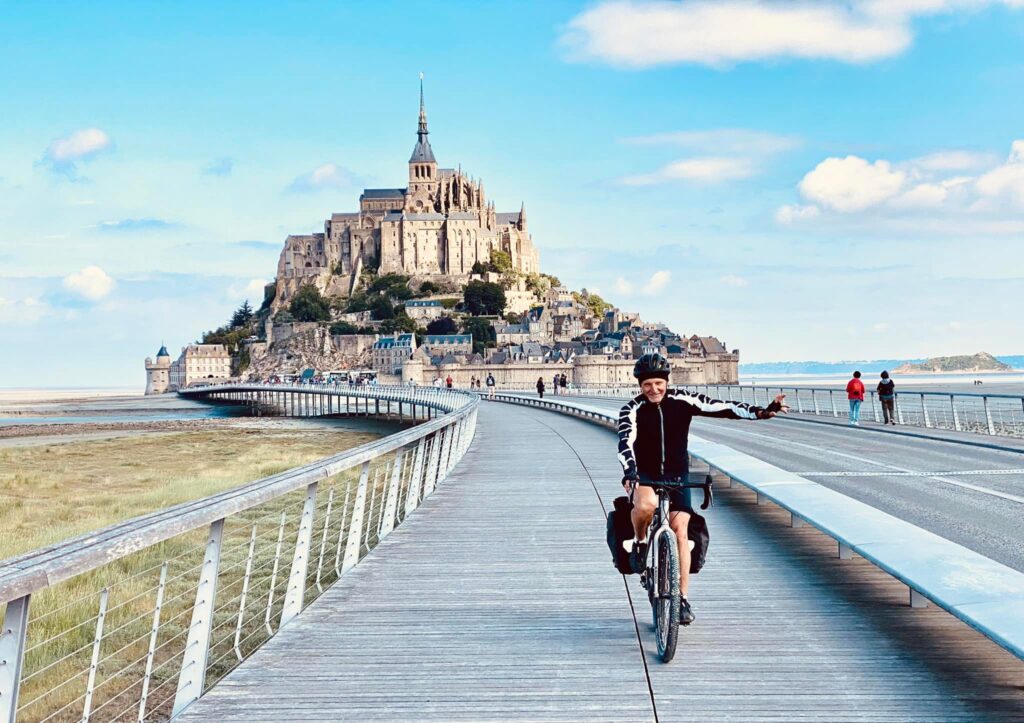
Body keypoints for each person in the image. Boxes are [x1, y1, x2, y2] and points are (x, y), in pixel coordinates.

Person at [618, 353, 787, 626]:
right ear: (640, 385)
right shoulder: (632, 409)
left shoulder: (683, 401)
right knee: (646, 506)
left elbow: (723, 407)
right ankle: (639, 543)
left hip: (677, 474)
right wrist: (630, 472)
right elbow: (626, 440)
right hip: (645, 474)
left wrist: (762, 411)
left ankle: (681, 598)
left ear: (667, 382)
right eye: (647, 384)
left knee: (680, 530)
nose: (654, 389)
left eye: (659, 383)